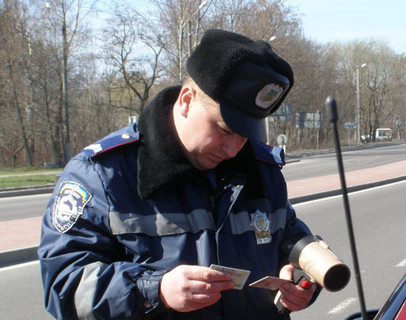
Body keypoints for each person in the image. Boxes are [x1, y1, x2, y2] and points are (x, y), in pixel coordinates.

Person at [38, 29, 319, 319]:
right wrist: (155, 290)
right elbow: (64, 285)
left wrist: (301, 278)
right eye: (223, 129)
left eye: (245, 135)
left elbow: (291, 240)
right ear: (186, 100)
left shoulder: (261, 170)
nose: (233, 149)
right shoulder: (103, 174)